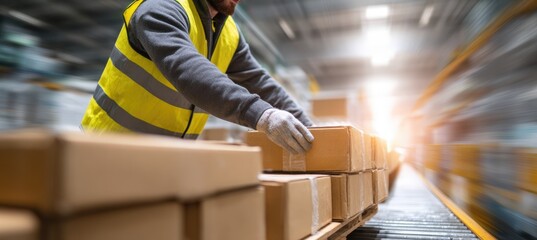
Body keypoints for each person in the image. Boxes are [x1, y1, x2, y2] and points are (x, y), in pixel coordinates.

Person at [80, 0, 314, 154]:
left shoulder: (228, 32)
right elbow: (187, 69)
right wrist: (262, 114)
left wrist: (312, 127)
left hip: (164, 160)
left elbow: (259, 82)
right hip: (107, 151)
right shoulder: (160, 7)